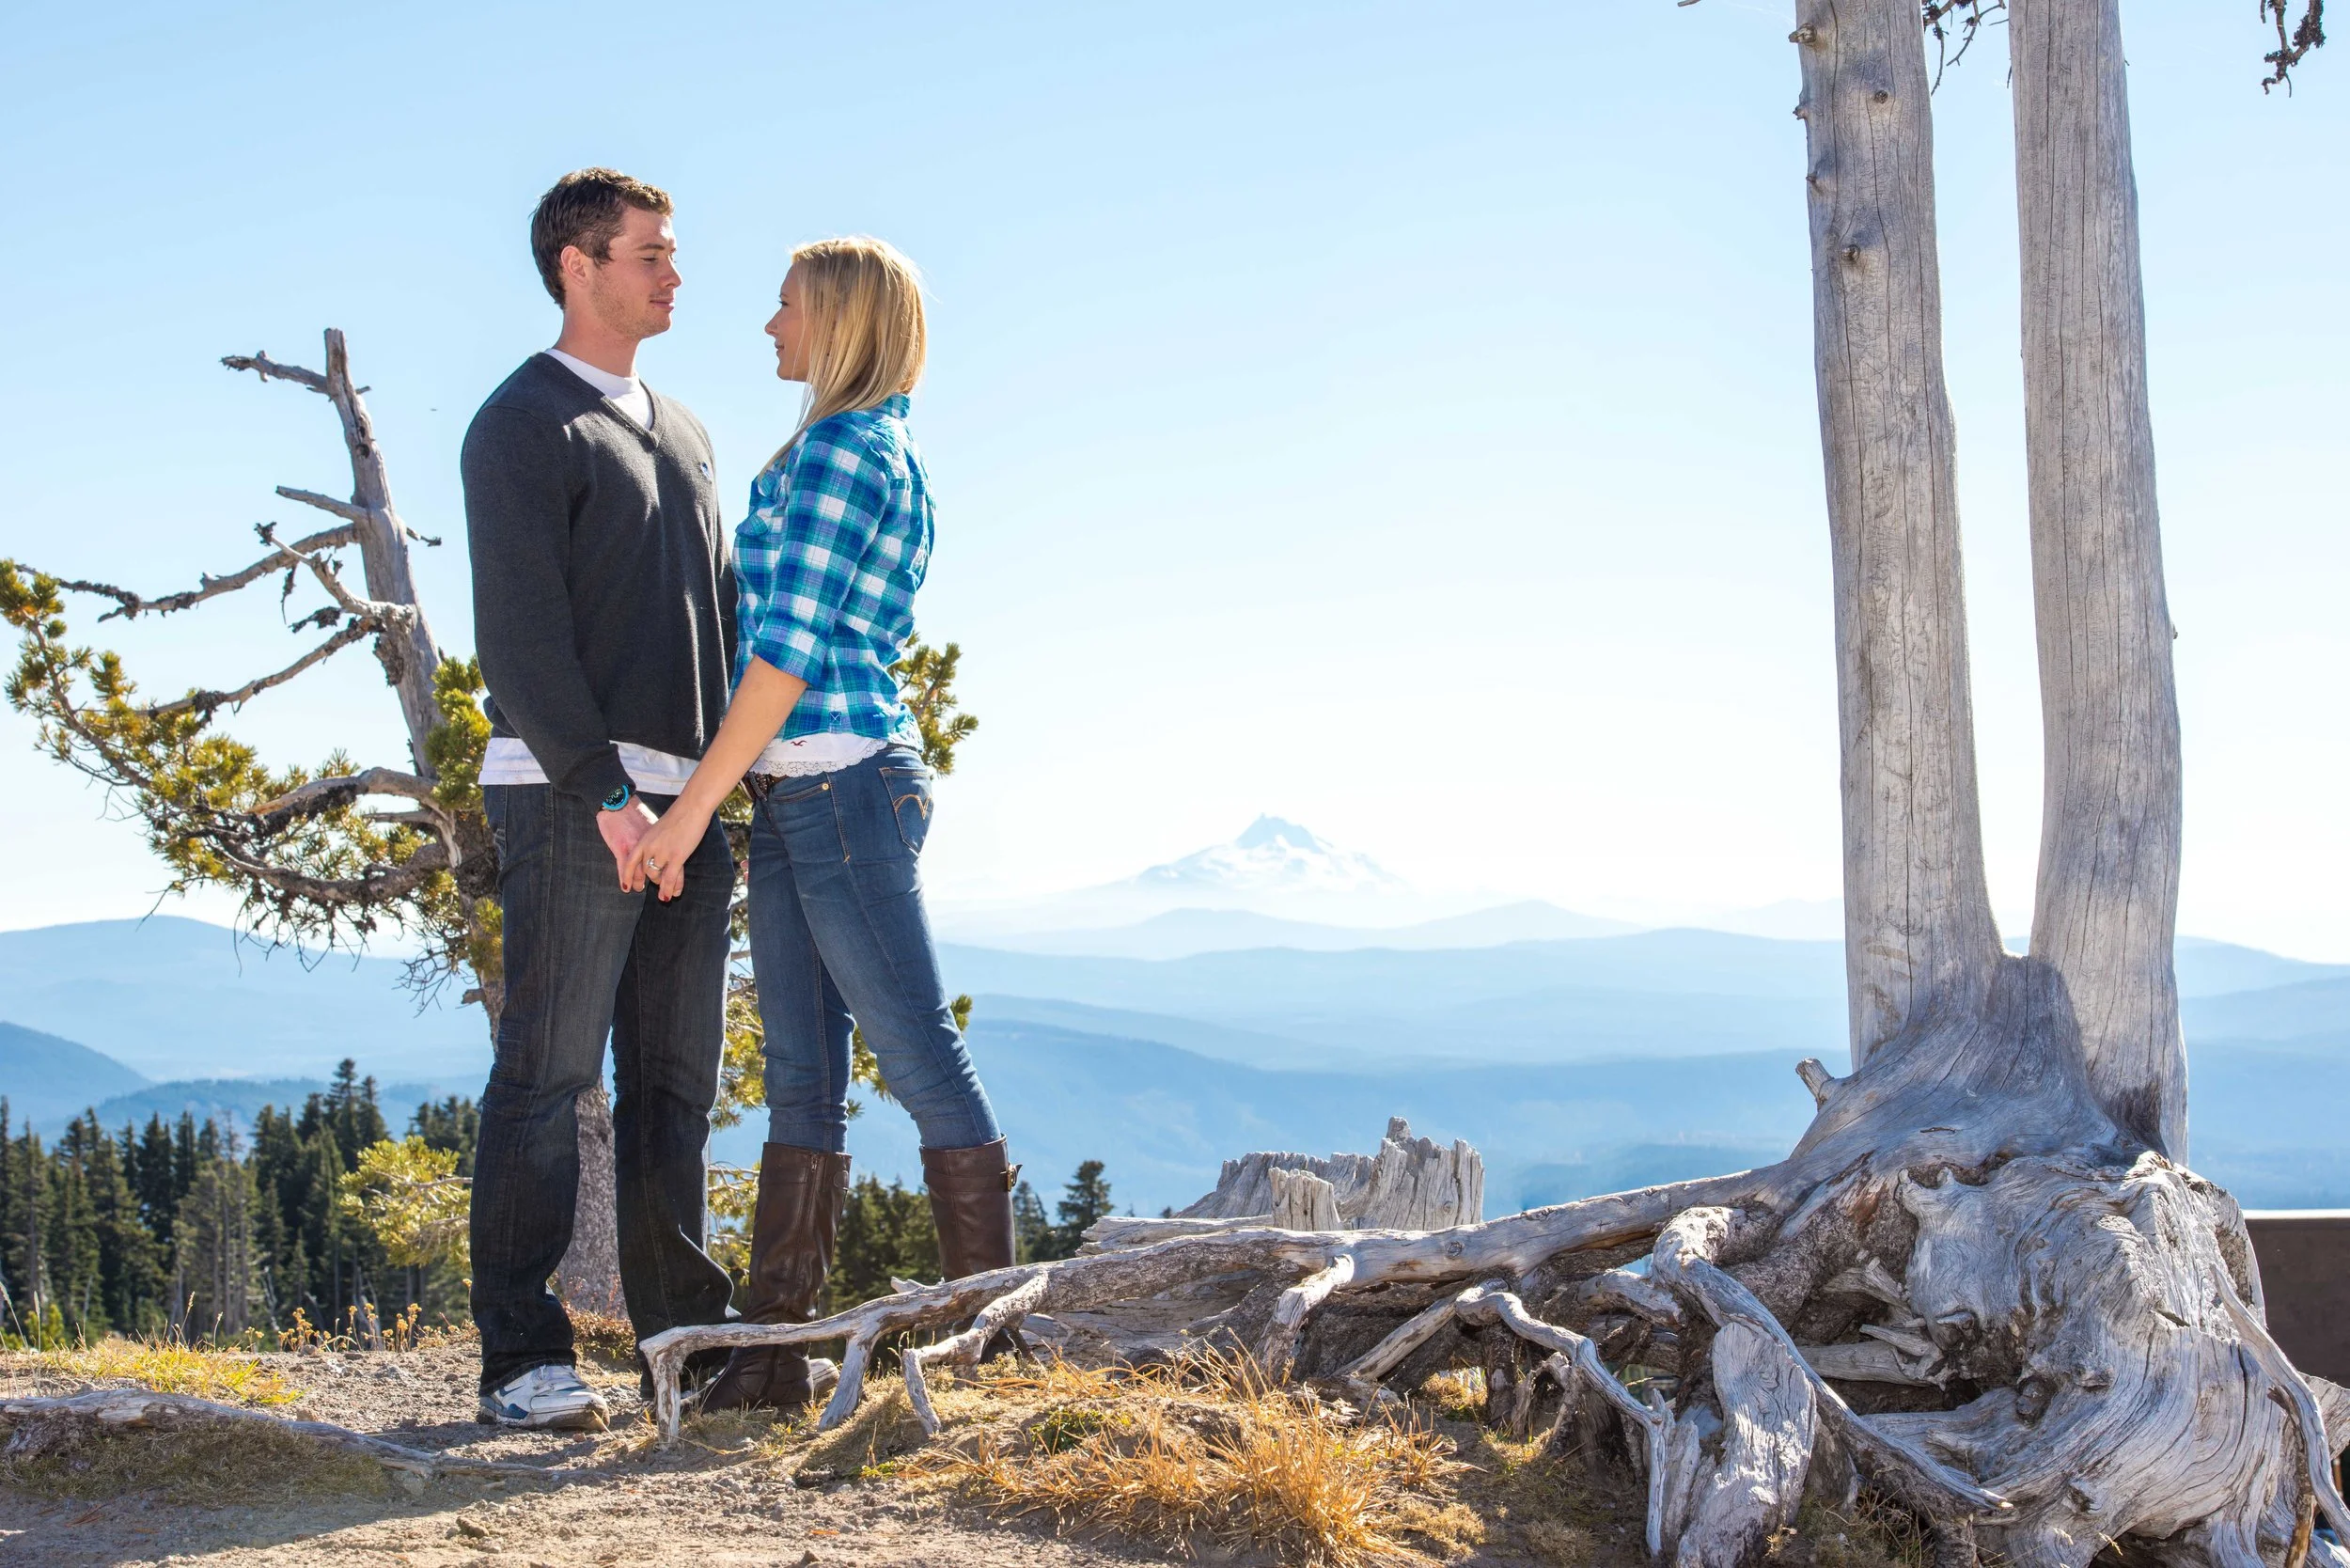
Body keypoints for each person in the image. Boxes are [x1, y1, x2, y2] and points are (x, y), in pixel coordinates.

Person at [623, 236, 1016, 1416]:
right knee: (802, 1077)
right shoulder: (843, 445)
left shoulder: (847, 452)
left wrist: (691, 811)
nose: (770, 325)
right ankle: (770, 1357)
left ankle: (992, 1350)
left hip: (841, 782)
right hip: (805, 791)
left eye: (787, 305)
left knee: (921, 1060)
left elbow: (788, 653)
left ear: (839, 321)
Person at [460, 168, 738, 1429]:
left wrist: (704, 802)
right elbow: (519, 642)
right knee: (549, 1073)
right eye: (650, 254)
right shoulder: (522, 422)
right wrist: (609, 794)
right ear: (577, 266)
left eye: (672, 254)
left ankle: (685, 1349)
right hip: (576, 799)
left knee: (674, 1087)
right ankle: (522, 1360)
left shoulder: (686, 432)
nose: (674, 274)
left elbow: (716, 624)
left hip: (690, 807)